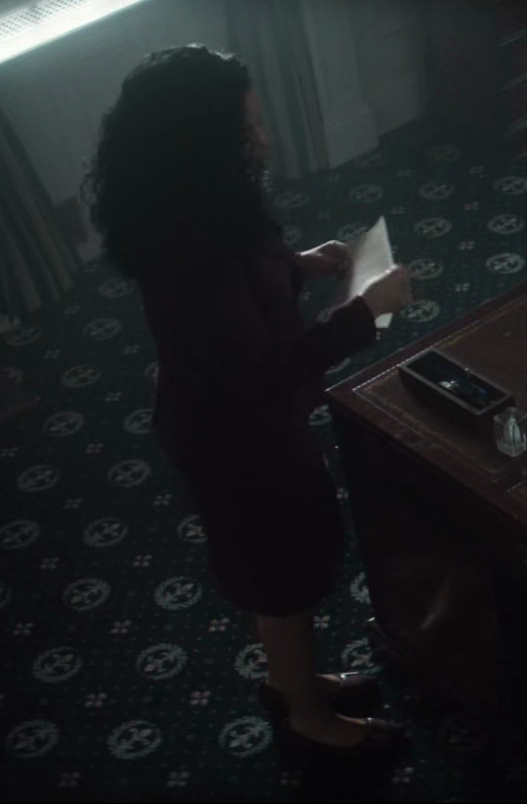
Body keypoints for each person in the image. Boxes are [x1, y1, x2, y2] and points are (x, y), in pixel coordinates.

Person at [85, 45, 411, 758]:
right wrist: (365, 312)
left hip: (235, 419)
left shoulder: (196, 204)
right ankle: (305, 717)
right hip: (236, 437)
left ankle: (293, 680)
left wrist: (302, 266)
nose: (262, 139)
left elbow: (246, 279)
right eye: (246, 129)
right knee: (282, 571)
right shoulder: (189, 248)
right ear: (200, 142)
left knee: (279, 562)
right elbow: (264, 368)